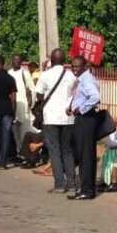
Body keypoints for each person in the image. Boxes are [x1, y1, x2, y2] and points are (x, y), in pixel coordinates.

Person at [33, 48, 77, 194]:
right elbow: (75, 94)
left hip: (50, 117)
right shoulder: (71, 76)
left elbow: (39, 95)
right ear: (64, 60)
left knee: (54, 150)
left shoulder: (45, 75)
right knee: (67, 150)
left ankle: (59, 184)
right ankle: (71, 183)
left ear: (51, 60)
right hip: (68, 118)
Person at [68, 55, 101, 200]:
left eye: (77, 66)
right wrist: (72, 108)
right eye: (73, 66)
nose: (74, 69)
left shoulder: (86, 79)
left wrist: (80, 109)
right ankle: (86, 187)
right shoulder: (83, 79)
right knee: (83, 154)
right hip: (83, 118)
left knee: (85, 155)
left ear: (84, 67)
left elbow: (95, 97)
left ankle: (87, 190)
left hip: (86, 120)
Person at [8, 54, 35, 155]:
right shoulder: (9, 73)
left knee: (24, 129)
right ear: (12, 61)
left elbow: (31, 89)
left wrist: (30, 103)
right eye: (15, 60)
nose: (16, 62)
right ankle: (18, 151)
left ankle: (26, 152)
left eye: (18, 60)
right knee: (14, 130)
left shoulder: (25, 73)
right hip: (12, 104)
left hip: (23, 105)